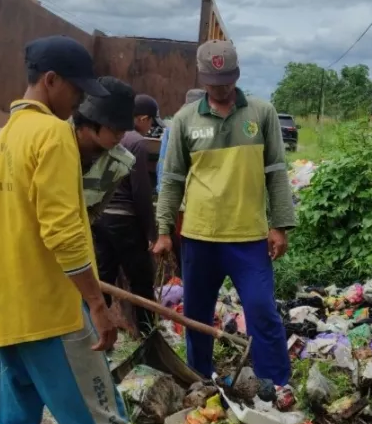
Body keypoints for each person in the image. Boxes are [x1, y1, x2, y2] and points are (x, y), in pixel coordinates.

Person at [0, 75, 137, 424]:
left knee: (42, 371)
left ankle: (54, 417)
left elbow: (85, 218)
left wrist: (83, 275)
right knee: (3, 349)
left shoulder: (118, 162)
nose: (120, 140)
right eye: (116, 131)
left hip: (66, 271)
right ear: (92, 123)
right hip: (26, 276)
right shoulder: (39, 134)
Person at [0, 35, 126, 424]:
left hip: (8, 310)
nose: (80, 100)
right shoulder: (53, 134)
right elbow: (62, 231)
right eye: (77, 89)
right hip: (51, 312)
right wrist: (97, 304)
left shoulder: (4, 140)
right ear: (50, 80)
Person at [153, 40, 296, 387]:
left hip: (247, 238)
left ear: (237, 74)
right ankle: (200, 377)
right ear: (202, 78)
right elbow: (171, 179)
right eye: (215, 83)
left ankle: (274, 383)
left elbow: (276, 172)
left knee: (261, 309)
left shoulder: (261, 113)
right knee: (197, 314)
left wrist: (280, 225)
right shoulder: (185, 120)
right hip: (200, 237)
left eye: (228, 80)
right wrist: (162, 230)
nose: (222, 89)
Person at [94, 93, 164, 334]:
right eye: (151, 122)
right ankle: (147, 333)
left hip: (100, 217)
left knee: (103, 276)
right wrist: (151, 233)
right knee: (141, 279)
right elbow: (141, 192)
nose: (150, 128)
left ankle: (94, 328)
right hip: (125, 219)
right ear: (143, 118)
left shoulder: (103, 134)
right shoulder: (135, 141)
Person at [155, 88, 206, 275]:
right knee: (192, 257)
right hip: (188, 205)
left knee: (185, 255)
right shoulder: (185, 126)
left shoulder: (174, 125)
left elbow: (163, 171)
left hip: (179, 204)